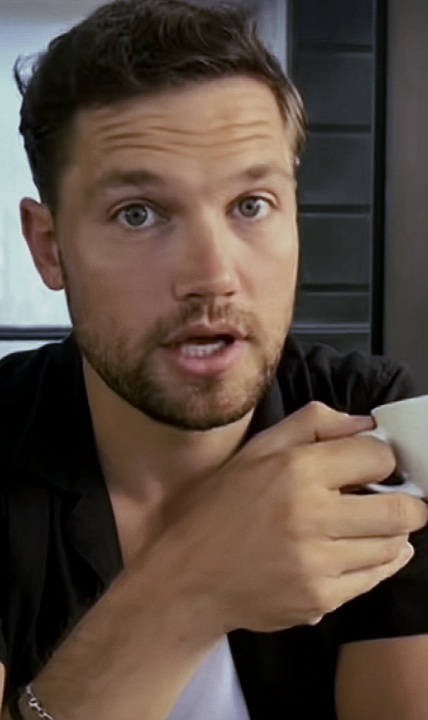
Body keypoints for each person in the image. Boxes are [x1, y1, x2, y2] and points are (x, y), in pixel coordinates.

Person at [2, 0, 428, 718]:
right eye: (138, 213)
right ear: (50, 247)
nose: (213, 276)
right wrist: (193, 585)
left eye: (251, 205)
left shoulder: (376, 421)